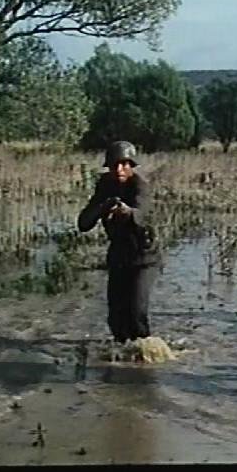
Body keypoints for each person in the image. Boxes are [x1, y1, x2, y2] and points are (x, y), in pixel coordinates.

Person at [78, 140, 161, 343]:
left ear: (131, 165)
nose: (119, 170)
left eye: (124, 164)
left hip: (144, 258)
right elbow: (83, 223)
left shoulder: (140, 186)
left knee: (136, 312)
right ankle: (121, 355)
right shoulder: (105, 186)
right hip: (119, 255)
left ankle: (146, 352)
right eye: (114, 165)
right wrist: (102, 207)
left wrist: (126, 211)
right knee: (116, 318)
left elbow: (142, 213)